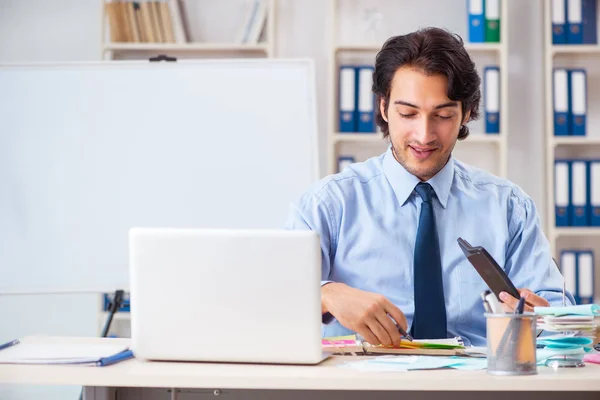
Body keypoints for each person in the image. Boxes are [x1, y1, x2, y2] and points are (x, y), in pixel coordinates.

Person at [284, 27, 573, 347]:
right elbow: (270, 297)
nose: (424, 135)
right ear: (383, 108)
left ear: (467, 113)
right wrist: (326, 294)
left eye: (443, 115)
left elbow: (558, 315)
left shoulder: (508, 207)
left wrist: (545, 318)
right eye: (408, 113)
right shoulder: (328, 204)